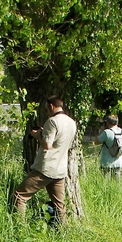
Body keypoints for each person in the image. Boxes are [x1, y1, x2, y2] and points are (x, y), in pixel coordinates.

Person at [14, 96, 77, 225]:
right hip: (60, 169)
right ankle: (65, 233)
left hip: (46, 168)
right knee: (59, 206)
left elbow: (47, 145)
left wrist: (37, 135)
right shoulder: (71, 122)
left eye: (46, 109)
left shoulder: (52, 121)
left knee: (19, 196)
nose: (47, 112)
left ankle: (19, 228)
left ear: (51, 106)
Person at [96, 114, 122, 180]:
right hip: (118, 162)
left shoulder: (107, 132)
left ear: (107, 122)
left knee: (105, 186)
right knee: (116, 185)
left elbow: (96, 142)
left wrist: (102, 130)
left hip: (106, 163)